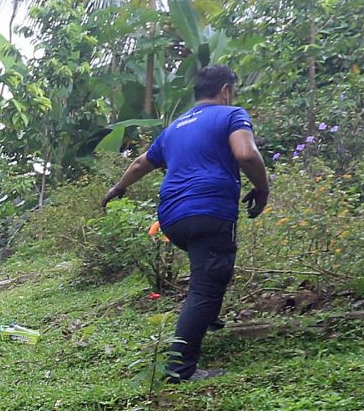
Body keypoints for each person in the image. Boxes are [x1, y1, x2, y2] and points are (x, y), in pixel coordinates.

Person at [100, 63, 272, 383]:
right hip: (209, 210)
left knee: (210, 271)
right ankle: (180, 370)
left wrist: (118, 188)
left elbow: (140, 163)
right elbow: (247, 155)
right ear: (225, 91)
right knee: (208, 282)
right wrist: (262, 189)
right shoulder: (231, 114)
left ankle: (205, 318)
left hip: (172, 218)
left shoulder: (174, 128)